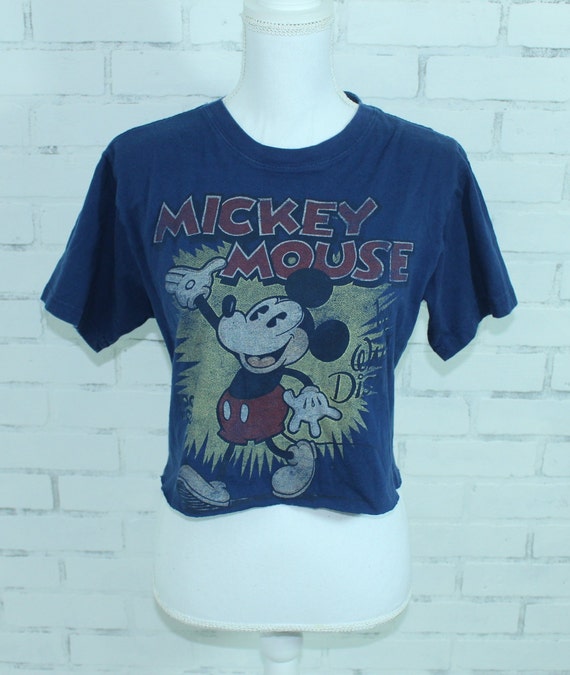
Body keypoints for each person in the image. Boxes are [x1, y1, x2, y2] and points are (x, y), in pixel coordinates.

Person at [41, 0, 516, 671]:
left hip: (354, 554)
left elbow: (456, 322)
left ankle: (297, 459)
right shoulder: (143, 163)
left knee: (286, 423)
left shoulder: (429, 170)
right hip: (207, 556)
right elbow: (111, 311)